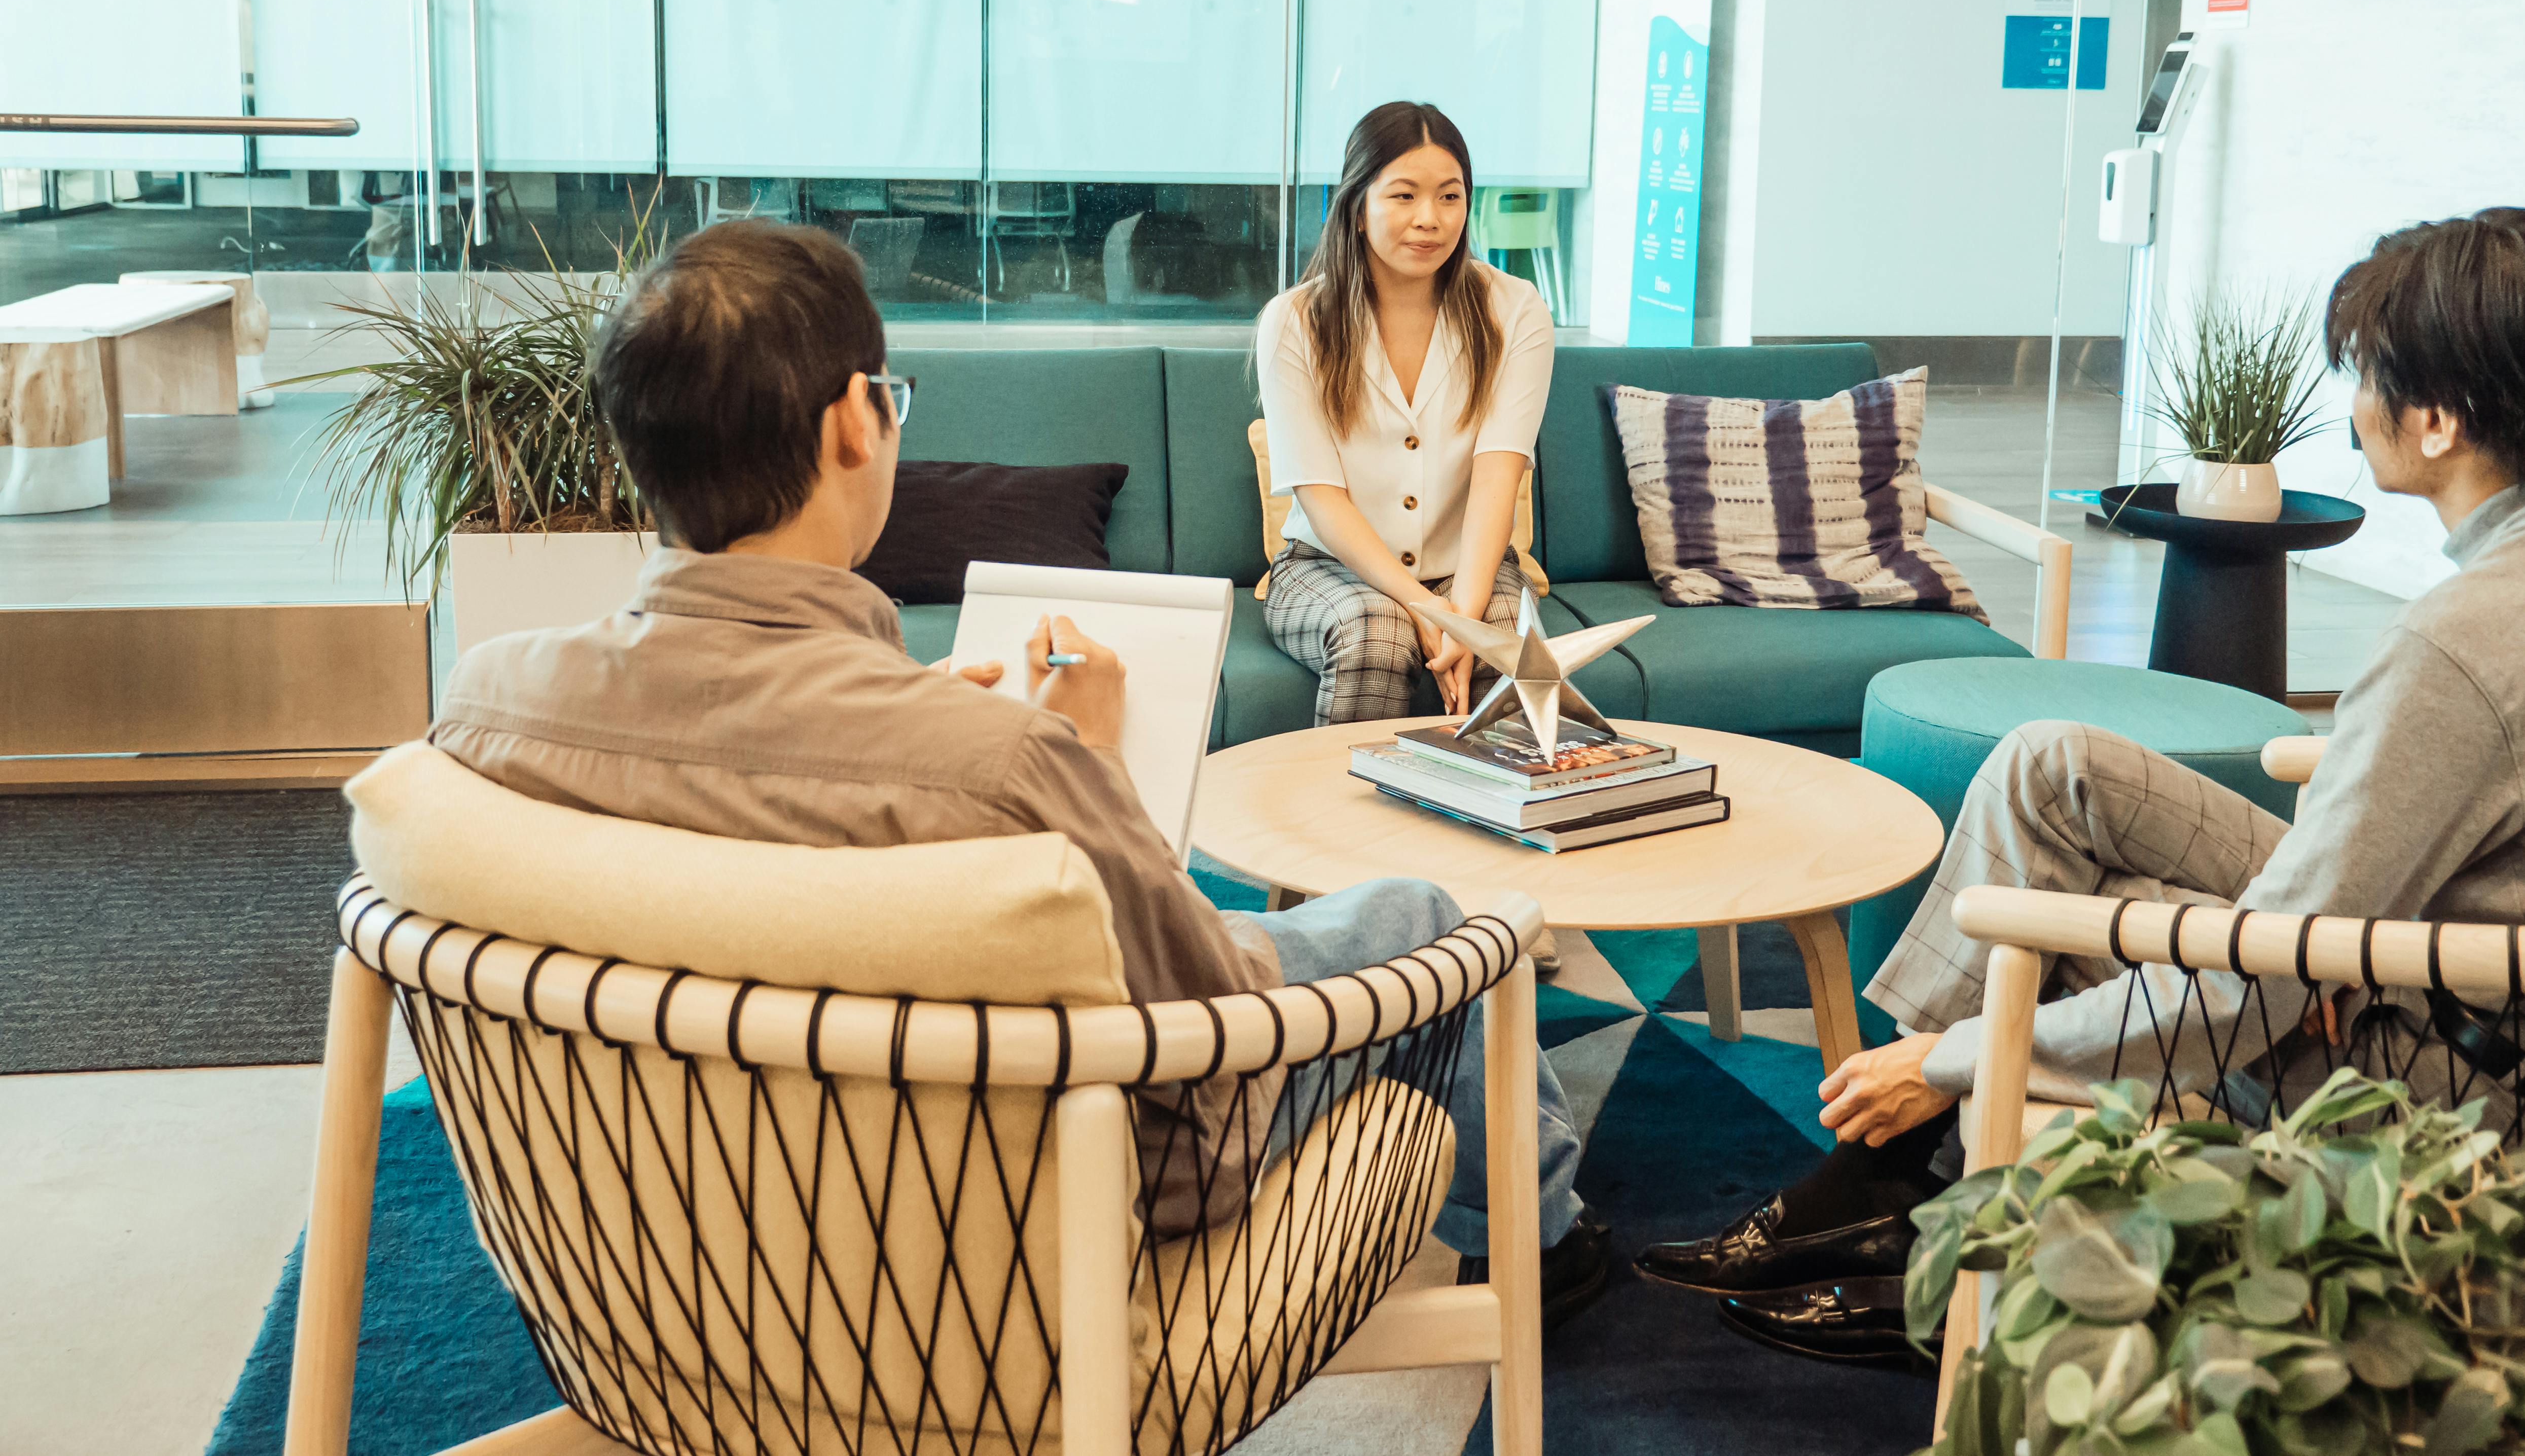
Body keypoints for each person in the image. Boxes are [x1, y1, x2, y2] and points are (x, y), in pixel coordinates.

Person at [426, 219, 1612, 1323]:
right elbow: (1197, 1038)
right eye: (891, 400)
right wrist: (1089, 766)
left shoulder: (485, 710)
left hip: (661, 1255)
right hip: (1011, 1257)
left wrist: (922, 733)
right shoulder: (1006, 765)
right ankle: (1552, 1251)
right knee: (1425, 915)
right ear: (855, 421)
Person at [1638, 208, 2525, 1367]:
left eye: (2364, 372)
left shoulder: (2456, 644)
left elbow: (2254, 991)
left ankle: (1944, 1225)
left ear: (2439, 418)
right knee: (2052, 769)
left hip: (2434, 1066)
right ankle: (1906, 1176)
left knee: (2045, 921)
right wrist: (2311, 924)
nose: (2350, 401)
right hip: (2409, 953)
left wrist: (1940, 1054)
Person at [1258, 102, 1556, 725]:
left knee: (1504, 635)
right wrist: (1424, 606)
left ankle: (1501, 817)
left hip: (1472, 568)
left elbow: (1497, 478)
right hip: (1327, 568)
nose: (1430, 219)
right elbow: (1321, 498)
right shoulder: (1294, 320)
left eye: (1450, 197)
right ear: (1356, 205)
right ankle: (1340, 821)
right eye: (1403, 195)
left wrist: (1462, 615)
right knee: (1377, 629)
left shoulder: (1515, 309)